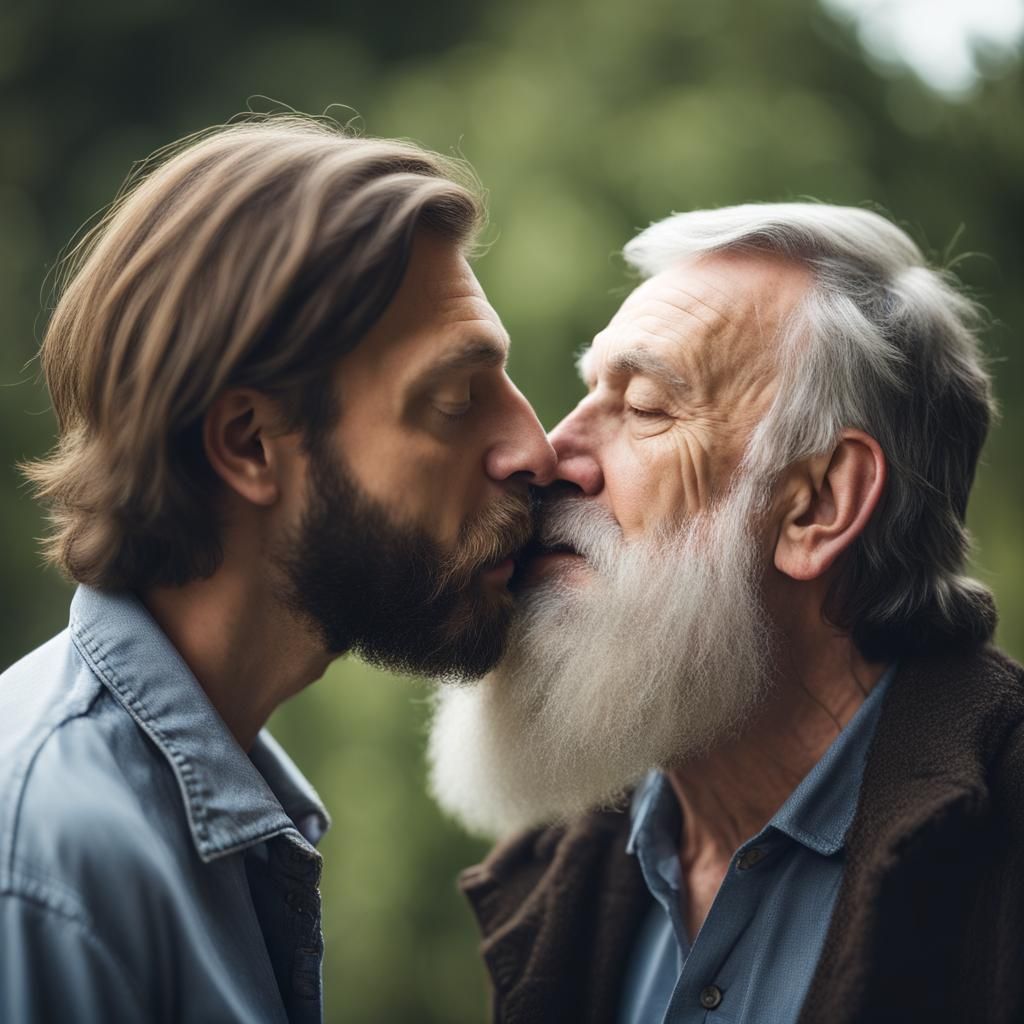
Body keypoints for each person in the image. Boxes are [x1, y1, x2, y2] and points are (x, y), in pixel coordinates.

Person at [0, 117, 556, 1023]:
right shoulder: (47, 866)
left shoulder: (208, 822)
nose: (534, 448)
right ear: (250, 444)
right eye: (455, 399)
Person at [428, 202, 1024, 1024]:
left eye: (644, 407)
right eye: (586, 391)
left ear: (817, 505)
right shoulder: (558, 876)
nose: (551, 455)